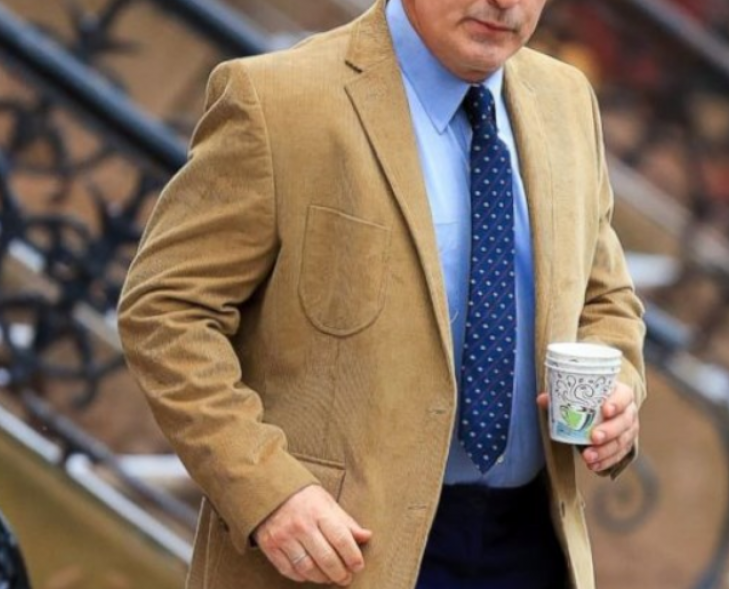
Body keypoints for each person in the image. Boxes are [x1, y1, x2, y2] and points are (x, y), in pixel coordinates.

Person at [117, 0, 646, 587]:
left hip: (533, 546)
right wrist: (266, 490)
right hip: (340, 552)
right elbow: (166, 311)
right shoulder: (276, 100)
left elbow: (605, 298)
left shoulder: (568, 101)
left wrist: (617, 389)